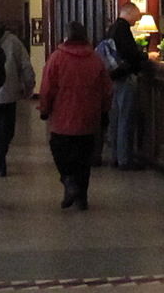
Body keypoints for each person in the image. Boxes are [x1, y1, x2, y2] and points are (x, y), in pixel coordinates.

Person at [39, 21, 112, 210]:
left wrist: (45, 109)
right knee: (84, 160)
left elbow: (47, 88)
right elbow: (106, 89)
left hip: (63, 118)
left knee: (61, 154)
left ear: (66, 36)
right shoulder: (95, 59)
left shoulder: (56, 58)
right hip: (89, 118)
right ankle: (81, 198)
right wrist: (104, 110)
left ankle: (69, 183)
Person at [0, 10, 36, 177]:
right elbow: (25, 65)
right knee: (6, 130)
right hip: (9, 94)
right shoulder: (14, 42)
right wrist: (29, 84)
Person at [107, 2, 146, 169]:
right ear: (129, 13)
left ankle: (116, 156)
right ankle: (125, 159)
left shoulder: (113, 28)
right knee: (126, 119)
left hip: (114, 78)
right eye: (136, 16)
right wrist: (144, 56)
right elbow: (130, 54)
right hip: (124, 78)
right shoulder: (123, 30)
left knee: (116, 119)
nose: (137, 20)